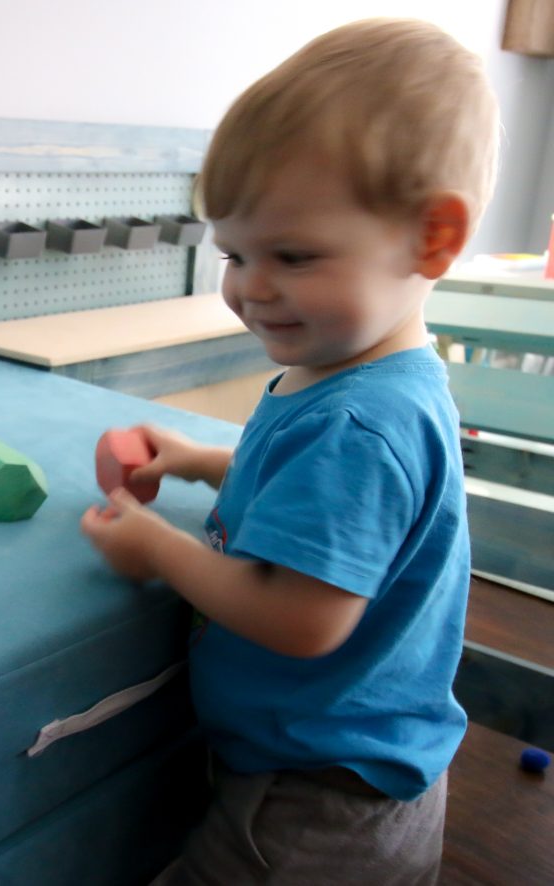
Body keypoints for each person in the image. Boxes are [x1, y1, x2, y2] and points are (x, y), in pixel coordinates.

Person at [80, 18, 500, 884]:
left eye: (294, 255)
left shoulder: (361, 425)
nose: (248, 288)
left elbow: (305, 617)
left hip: (315, 802)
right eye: (235, 252)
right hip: (336, 766)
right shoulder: (362, 378)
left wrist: (159, 546)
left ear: (432, 240)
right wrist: (202, 460)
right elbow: (315, 508)